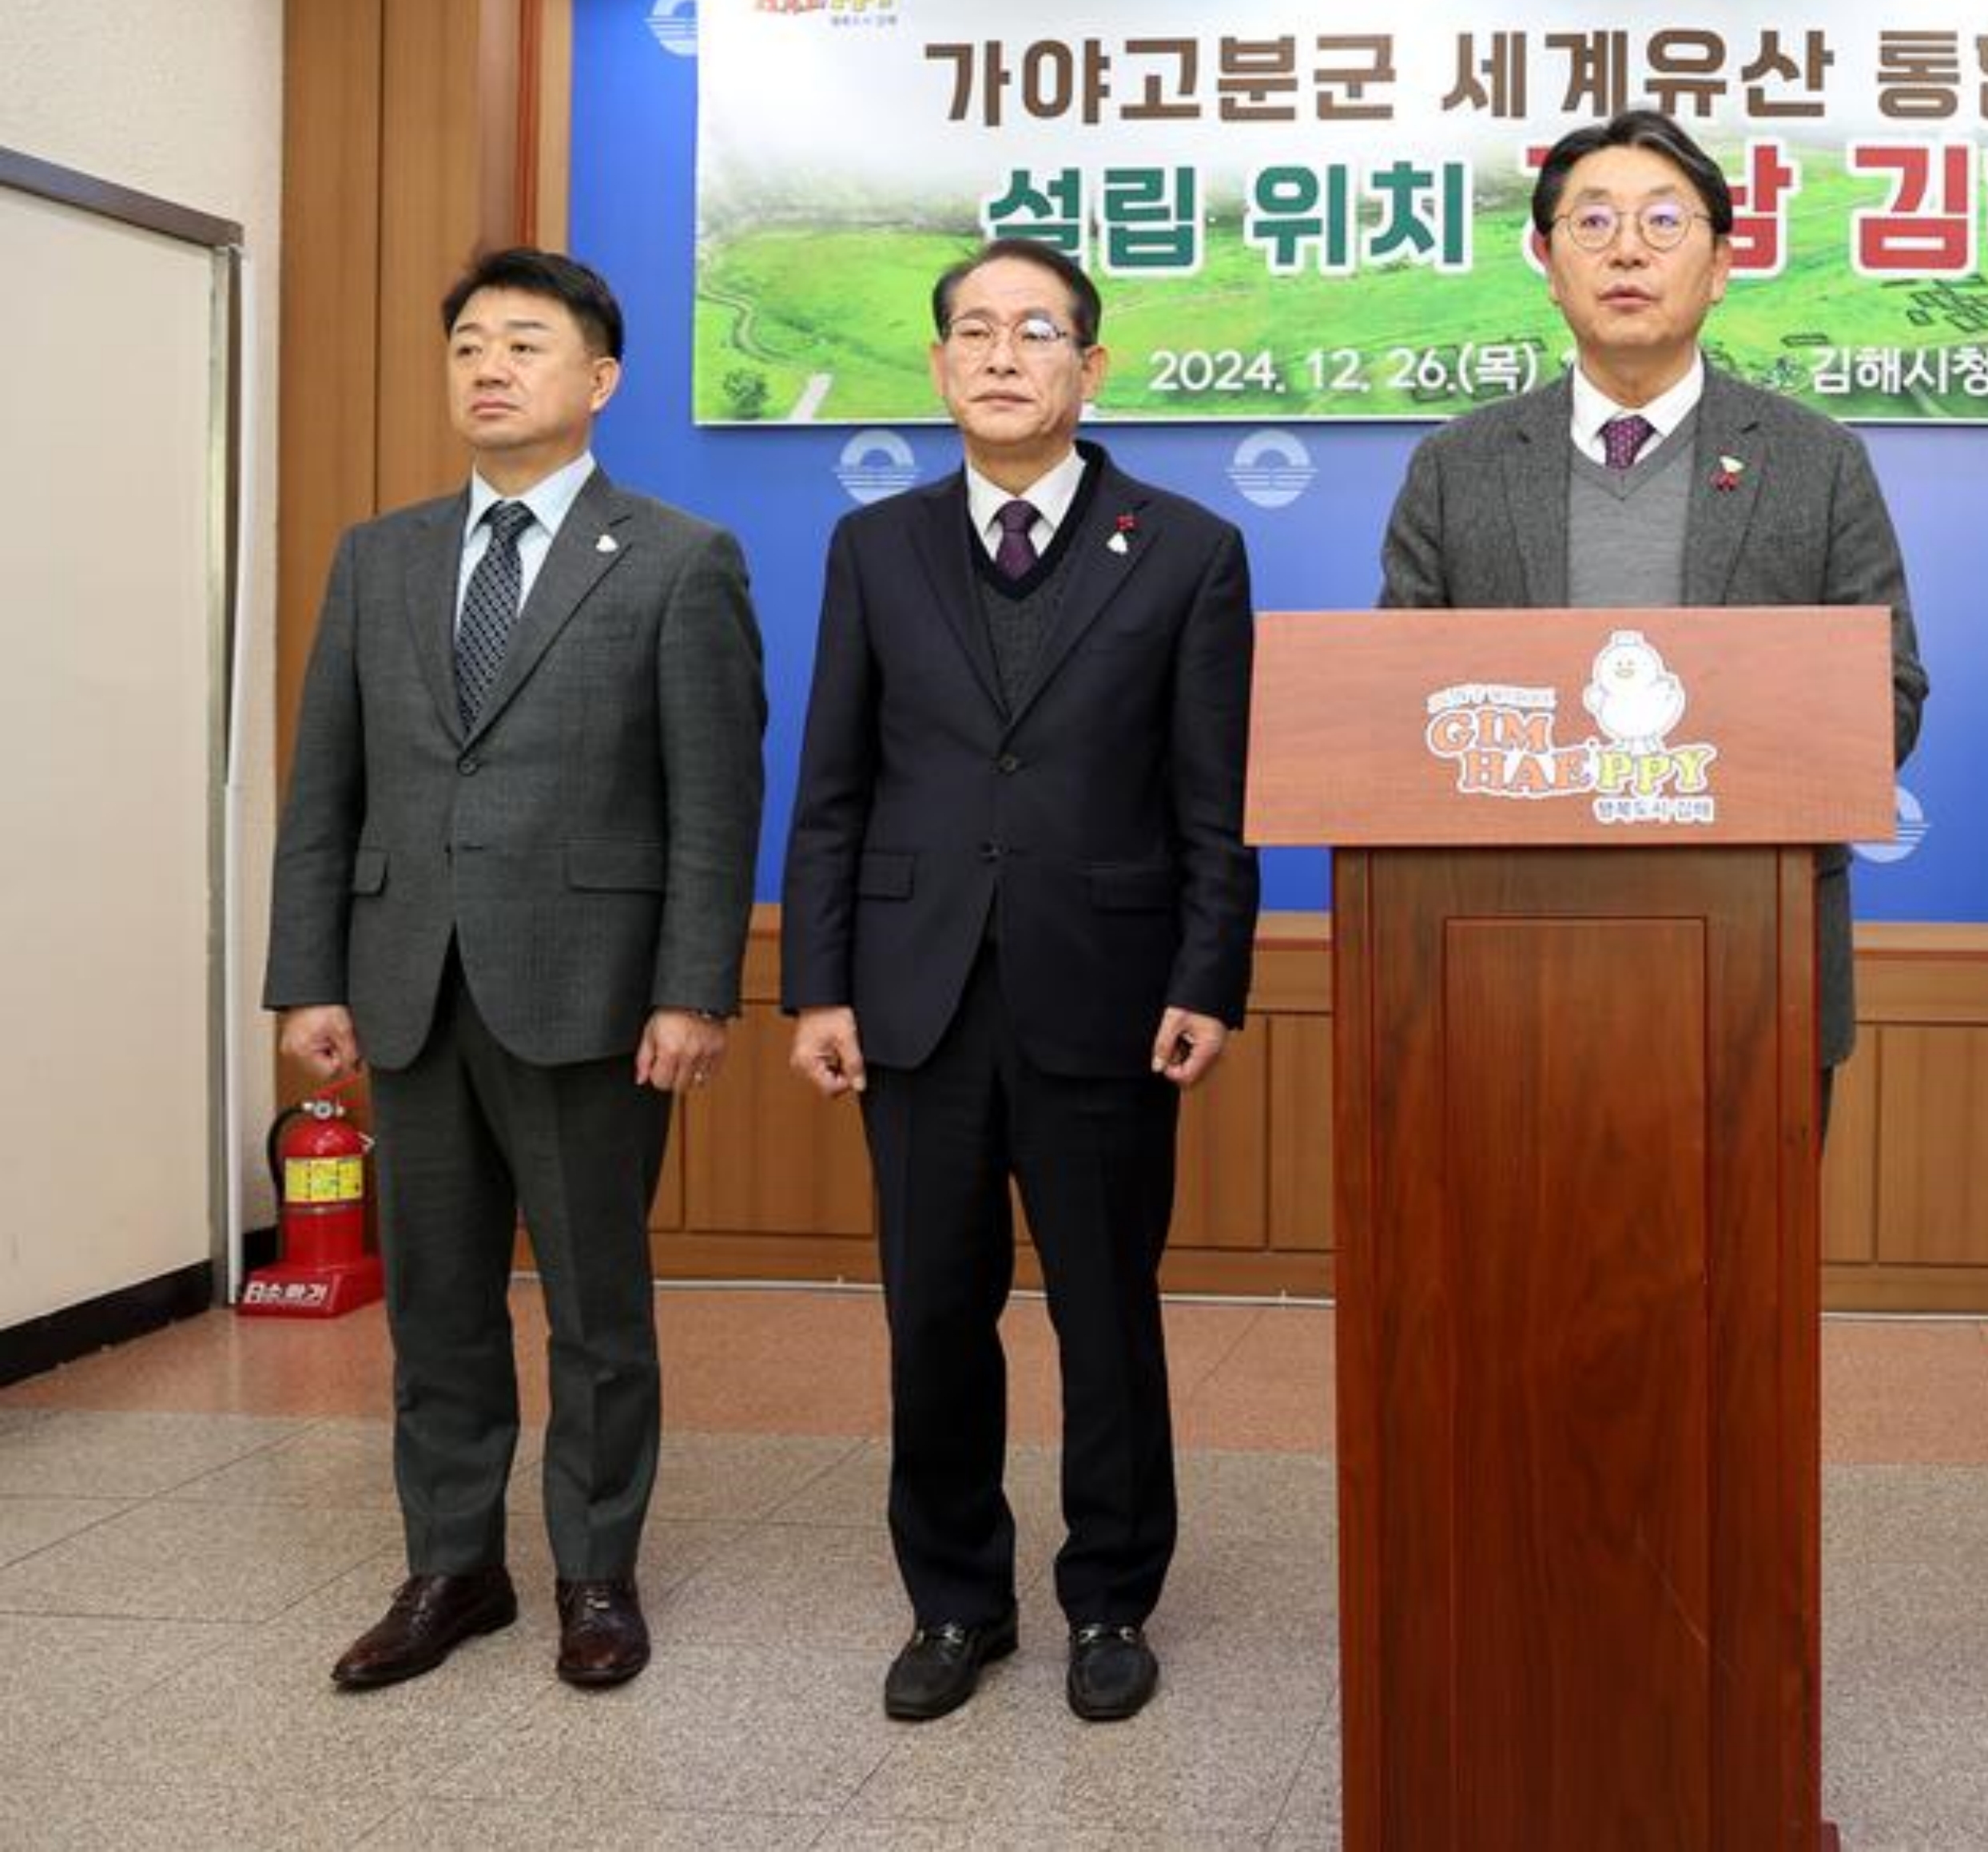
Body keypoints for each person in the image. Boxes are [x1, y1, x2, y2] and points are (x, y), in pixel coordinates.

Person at [266, 247, 765, 1692]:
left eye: (525, 343)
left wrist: (693, 988)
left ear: (599, 380)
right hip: (406, 981)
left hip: (594, 992)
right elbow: (325, 785)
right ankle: (453, 1565)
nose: (490, 366)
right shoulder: (380, 557)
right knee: (435, 1301)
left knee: (598, 1308)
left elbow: (713, 797)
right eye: (470, 344)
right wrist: (310, 974)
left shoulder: (676, 557)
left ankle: (595, 1572)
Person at [781, 236, 1257, 1727]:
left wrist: (1209, 975)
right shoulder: (876, 547)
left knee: (1106, 1315)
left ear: (1089, 367)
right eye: (973, 330)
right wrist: (817, 985)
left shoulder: (1185, 549)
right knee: (932, 1311)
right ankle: (955, 1601)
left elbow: (1214, 800)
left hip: (1108, 989)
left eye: (1035, 329)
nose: (1001, 354)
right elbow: (833, 785)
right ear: (937, 367)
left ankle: (1110, 1596)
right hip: (913, 996)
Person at [1378, 108, 1926, 1088]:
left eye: (1664, 222)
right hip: (1505, 953)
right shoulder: (1457, 467)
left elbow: (1886, 700)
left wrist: (1701, 769)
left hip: (1756, 956)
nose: (1626, 250)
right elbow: (1400, 705)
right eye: (1592, 222)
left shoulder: (1815, 463)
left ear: (1720, 267)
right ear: (1547, 263)